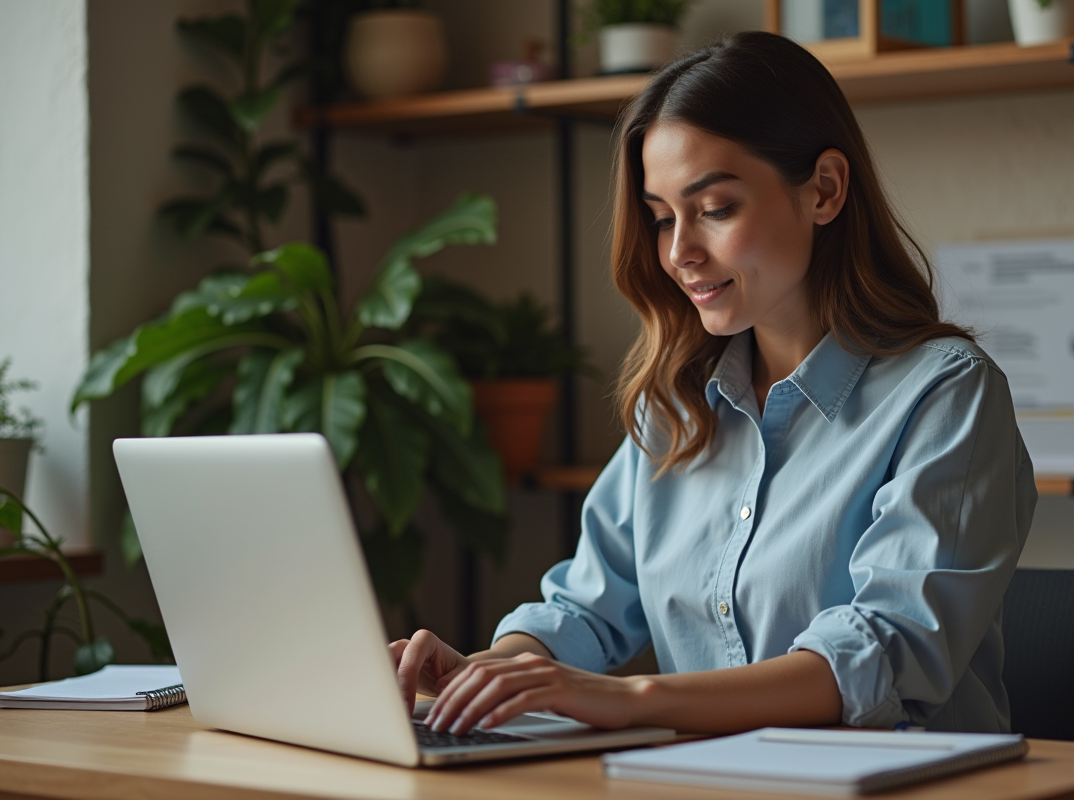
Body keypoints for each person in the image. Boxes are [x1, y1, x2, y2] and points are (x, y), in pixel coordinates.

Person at [390, 30, 1037, 737]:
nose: (678, 252)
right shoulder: (675, 405)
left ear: (824, 189)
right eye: (662, 216)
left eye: (716, 208)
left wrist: (632, 700)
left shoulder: (945, 394)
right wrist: (492, 672)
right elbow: (583, 609)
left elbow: (883, 653)